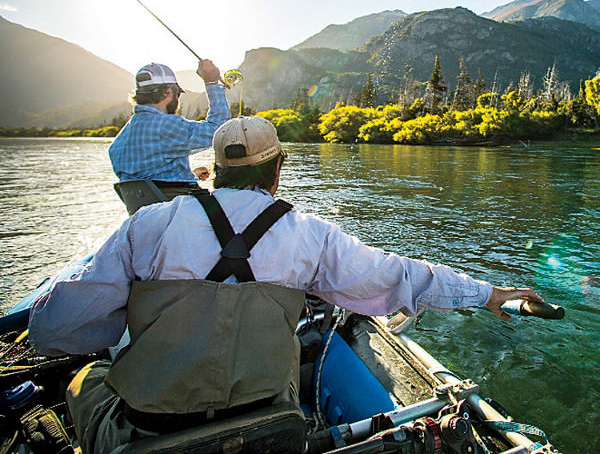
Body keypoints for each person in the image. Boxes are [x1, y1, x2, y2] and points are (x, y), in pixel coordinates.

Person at [29, 116, 543, 454]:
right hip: (272, 428)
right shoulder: (310, 238)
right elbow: (401, 276)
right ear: (278, 171)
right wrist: (489, 294)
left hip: (148, 435)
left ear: (212, 172)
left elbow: (54, 331)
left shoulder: (149, 225)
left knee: (87, 378)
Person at [108, 59, 230, 201]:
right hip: (180, 216)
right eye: (178, 93)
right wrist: (212, 83)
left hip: (145, 218)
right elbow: (221, 130)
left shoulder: (118, 143)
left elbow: (152, 187)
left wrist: (192, 175)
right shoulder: (166, 125)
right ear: (168, 92)